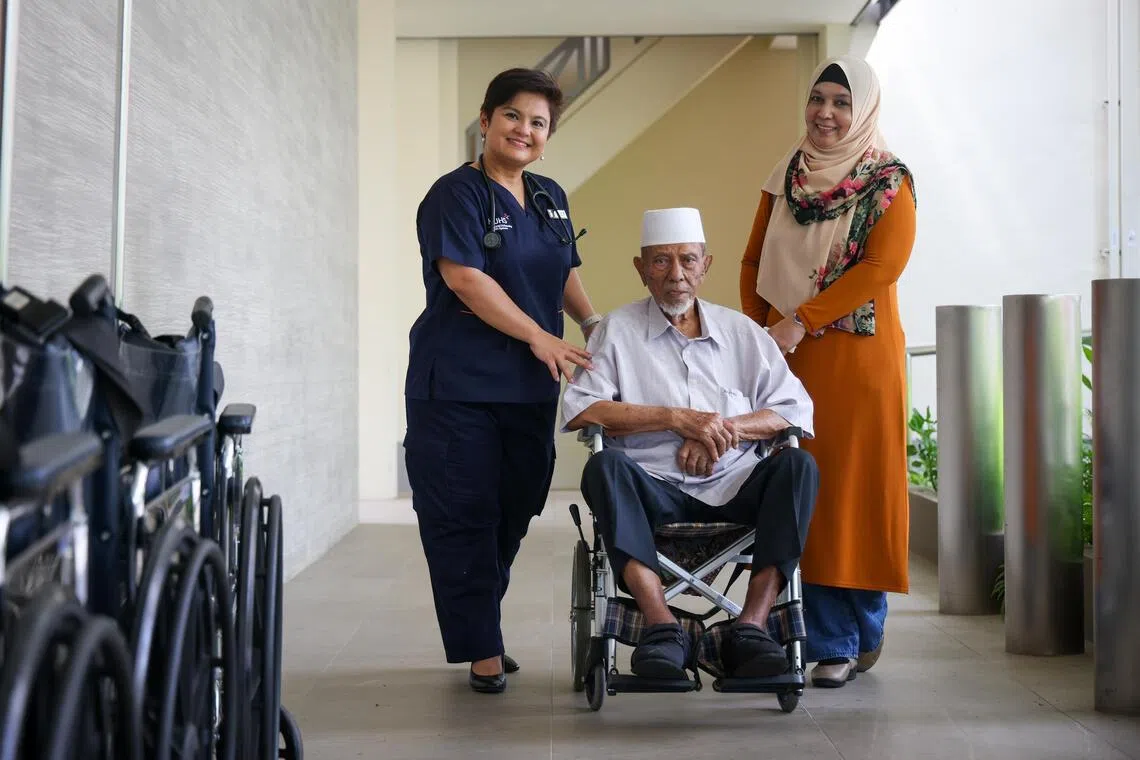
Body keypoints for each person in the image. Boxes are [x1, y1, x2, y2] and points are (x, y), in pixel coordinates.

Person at [403, 68, 602, 694]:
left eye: (538, 122)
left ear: (547, 136)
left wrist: (594, 323)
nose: (524, 130)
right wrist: (541, 336)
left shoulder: (549, 196)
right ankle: (482, 649)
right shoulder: (454, 195)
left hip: (527, 389)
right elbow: (465, 278)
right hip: (458, 385)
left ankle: (478, 618)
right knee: (465, 511)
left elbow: (563, 268)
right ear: (486, 120)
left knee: (516, 505)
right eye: (512, 116)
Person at [562, 207, 819, 680]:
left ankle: (752, 628)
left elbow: (793, 410)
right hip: (652, 491)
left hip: (735, 487)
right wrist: (677, 419)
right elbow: (582, 409)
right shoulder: (614, 333)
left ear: (706, 266)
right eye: (660, 262)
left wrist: (723, 430)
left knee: (799, 467)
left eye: (687, 260)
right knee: (603, 469)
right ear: (641, 270)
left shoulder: (744, 334)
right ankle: (662, 628)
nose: (675, 275)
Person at [738, 55, 917, 688]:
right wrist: (762, 332)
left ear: (863, 109)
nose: (826, 113)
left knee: (853, 496)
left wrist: (799, 319)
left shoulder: (887, 180)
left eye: (842, 102)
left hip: (858, 364)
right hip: (790, 359)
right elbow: (754, 259)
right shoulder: (785, 176)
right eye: (818, 99)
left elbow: (880, 268)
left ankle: (847, 637)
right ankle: (839, 636)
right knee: (806, 492)